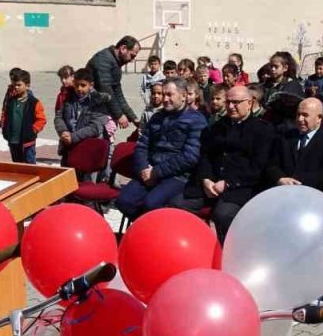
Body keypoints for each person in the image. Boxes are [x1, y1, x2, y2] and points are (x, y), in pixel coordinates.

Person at [174, 85, 276, 241]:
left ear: (249, 103)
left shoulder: (262, 130)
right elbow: (205, 156)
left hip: (239, 186)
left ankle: (228, 254)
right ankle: (194, 246)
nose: (230, 106)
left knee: (223, 214)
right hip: (211, 185)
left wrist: (228, 183)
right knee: (177, 204)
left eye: (236, 102)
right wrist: (206, 179)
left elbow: (257, 166)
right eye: (228, 102)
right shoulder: (216, 128)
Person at [118, 78, 207, 219]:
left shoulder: (196, 120)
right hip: (149, 171)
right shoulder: (156, 118)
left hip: (177, 176)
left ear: (183, 96)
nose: (164, 99)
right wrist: (144, 169)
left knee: (151, 204)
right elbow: (142, 146)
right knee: (124, 201)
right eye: (163, 94)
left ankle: (154, 234)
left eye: (169, 95)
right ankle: (144, 231)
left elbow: (190, 156)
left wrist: (157, 172)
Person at [266, 98, 323, 192]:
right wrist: (280, 179)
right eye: (298, 114)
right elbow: (272, 164)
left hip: (312, 194)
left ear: (319, 118)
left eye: (305, 115)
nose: (299, 119)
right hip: (283, 191)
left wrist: (297, 183)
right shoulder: (286, 136)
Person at [54, 69, 111, 166]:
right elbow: (59, 117)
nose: (79, 89)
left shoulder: (98, 102)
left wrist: (74, 137)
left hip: (88, 150)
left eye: (83, 85)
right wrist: (63, 131)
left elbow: (95, 127)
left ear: (91, 85)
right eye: (76, 85)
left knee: (86, 180)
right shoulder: (69, 98)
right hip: (68, 148)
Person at [87, 35, 140, 128]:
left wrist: (133, 118)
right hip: (91, 113)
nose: (132, 60)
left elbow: (117, 93)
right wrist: (119, 115)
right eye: (132, 56)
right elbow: (105, 89)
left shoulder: (114, 62)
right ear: (123, 48)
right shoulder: (103, 60)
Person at [0, 68, 46, 164]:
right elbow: (5, 114)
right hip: (13, 140)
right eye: (14, 85)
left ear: (27, 86)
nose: (16, 87)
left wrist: (32, 130)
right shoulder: (10, 101)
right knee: (17, 164)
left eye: (19, 85)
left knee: (29, 164)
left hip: (27, 142)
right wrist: (5, 129)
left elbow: (41, 120)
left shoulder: (34, 102)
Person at [261, 51, 304, 125]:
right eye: (271, 66)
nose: (273, 69)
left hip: (286, 126)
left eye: (276, 66)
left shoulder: (292, 85)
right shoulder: (267, 85)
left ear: (285, 68)